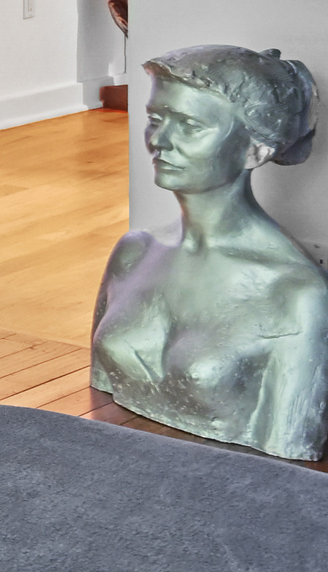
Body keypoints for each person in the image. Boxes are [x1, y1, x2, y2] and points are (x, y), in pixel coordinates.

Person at [90, 44, 328, 460]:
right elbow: (100, 384)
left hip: (232, 489)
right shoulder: (134, 252)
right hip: (113, 453)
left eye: (189, 125)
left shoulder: (294, 295)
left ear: (256, 150)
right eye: (156, 119)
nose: (159, 141)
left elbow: (292, 447)